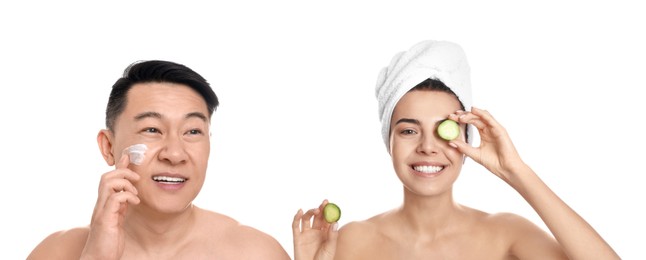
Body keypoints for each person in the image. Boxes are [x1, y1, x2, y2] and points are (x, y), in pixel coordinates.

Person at [293, 40, 620, 259]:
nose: (427, 147)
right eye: (409, 130)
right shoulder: (350, 242)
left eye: (442, 130)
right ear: (388, 140)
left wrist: (515, 171)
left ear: (467, 138)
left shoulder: (506, 234)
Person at [27, 60, 291, 259]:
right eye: (152, 129)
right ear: (108, 147)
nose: (174, 154)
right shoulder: (56, 252)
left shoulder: (256, 252)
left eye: (193, 131)